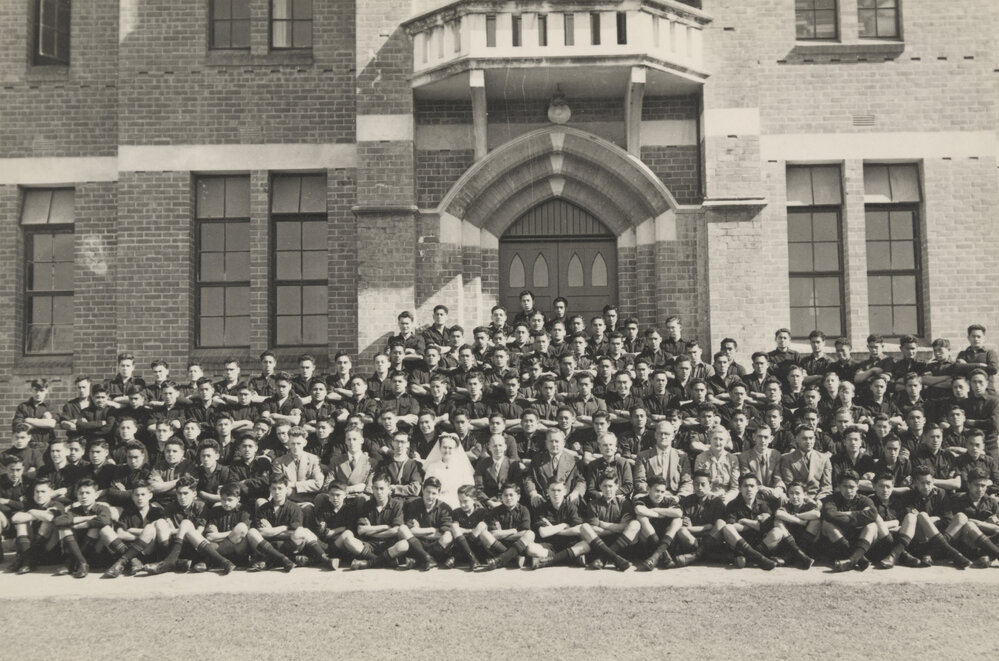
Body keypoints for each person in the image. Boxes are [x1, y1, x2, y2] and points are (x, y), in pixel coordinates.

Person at [346, 473, 411, 570]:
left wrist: (370, 530)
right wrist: (385, 527)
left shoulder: (397, 505)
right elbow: (360, 530)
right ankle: (384, 561)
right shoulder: (367, 505)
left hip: (389, 545)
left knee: (404, 545)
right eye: (376, 488)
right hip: (370, 545)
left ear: (389, 489)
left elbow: (396, 530)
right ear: (372, 489)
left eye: (382, 488)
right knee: (348, 541)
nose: (379, 492)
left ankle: (369, 563)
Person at [718, 474, 779, 570]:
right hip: (740, 544)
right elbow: (732, 525)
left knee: (778, 532)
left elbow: (766, 527)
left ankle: (752, 556)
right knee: (727, 528)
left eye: (752, 486)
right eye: (745, 486)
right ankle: (758, 558)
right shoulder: (733, 504)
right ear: (740, 489)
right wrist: (755, 523)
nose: (749, 489)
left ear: (757, 488)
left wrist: (744, 521)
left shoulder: (763, 505)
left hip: (759, 544)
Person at [823, 470, 879, 572]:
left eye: (852, 487)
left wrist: (847, 514)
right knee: (827, 525)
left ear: (857, 487)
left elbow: (873, 514)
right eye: (845, 486)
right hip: (839, 542)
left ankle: (852, 560)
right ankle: (859, 559)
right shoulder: (831, 499)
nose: (848, 490)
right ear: (839, 486)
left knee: (872, 526)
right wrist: (859, 517)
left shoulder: (865, 500)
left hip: (860, 540)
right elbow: (830, 514)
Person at [423, 433, 475, 509]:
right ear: (440, 448)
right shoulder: (432, 467)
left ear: (456, 449)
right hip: (437, 503)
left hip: (458, 503)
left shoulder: (463, 467)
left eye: (450, 448)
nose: (447, 450)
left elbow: (469, 488)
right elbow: (427, 488)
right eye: (444, 447)